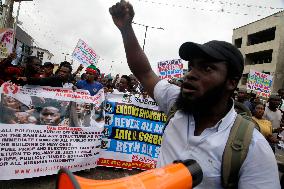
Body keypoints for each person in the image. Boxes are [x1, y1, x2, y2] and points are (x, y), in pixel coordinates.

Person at [109, 1, 280, 188]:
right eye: (191, 67)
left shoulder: (252, 148)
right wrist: (126, 29)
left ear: (231, 82)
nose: (190, 74)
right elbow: (144, 73)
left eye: (206, 68)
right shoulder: (175, 101)